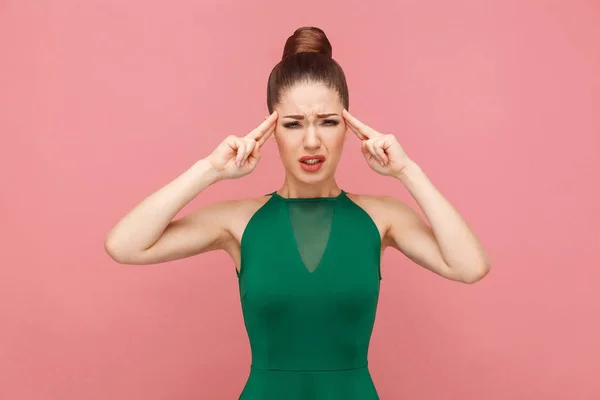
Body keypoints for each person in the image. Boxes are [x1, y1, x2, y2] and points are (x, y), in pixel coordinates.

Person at [105, 26, 491, 400]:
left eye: (328, 122)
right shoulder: (237, 222)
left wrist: (407, 171)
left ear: (349, 128)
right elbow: (125, 245)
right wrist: (210, 170)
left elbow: (470, 266)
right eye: (292, 124)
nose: (311, 141)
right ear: (271, 130)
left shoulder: (381, 216)